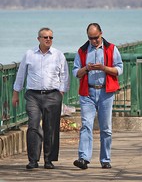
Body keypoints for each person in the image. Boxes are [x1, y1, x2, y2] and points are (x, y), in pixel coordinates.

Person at [12, 27, 70, 169]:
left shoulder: (58, 55)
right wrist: (16, 93)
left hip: (53, 95)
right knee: (33, 125)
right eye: (45, 37)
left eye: (51, 37)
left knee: (51, 128)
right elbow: (21, 74)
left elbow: (65, 75)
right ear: (38, 39)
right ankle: (33, 160)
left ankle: (48, 160)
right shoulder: (29, 54)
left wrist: (61, 93)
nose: (48, 40)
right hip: (33, 96)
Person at [72, 23, 123, 169]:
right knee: (86, 125)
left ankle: (105, 159)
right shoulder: (82, 51)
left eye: (96, 37)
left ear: (101, 33)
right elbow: (76, 72)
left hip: (105, 92)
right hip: (87, 92)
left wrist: (104, 68)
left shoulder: (111, 48)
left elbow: (120, 69)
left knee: (106, 127)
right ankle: (83, 158)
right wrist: (86, 68)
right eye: (90, 38)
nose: (94, 41)